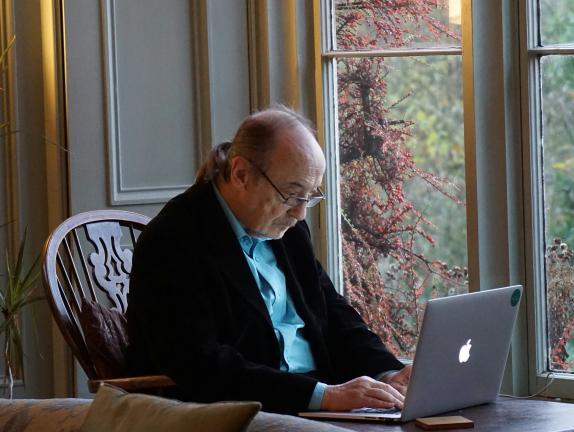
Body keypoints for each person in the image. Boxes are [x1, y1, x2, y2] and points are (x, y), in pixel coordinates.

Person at [126, 106, 411, 414]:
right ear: (241, 175)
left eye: (309, 196)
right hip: (248, 411)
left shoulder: (287, 229)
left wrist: (389, 372)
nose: (300, 213)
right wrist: (324, 396)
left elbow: (332, 312)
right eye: (291, 194)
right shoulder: (173, 241)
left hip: (319, 401)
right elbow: (201, 365)